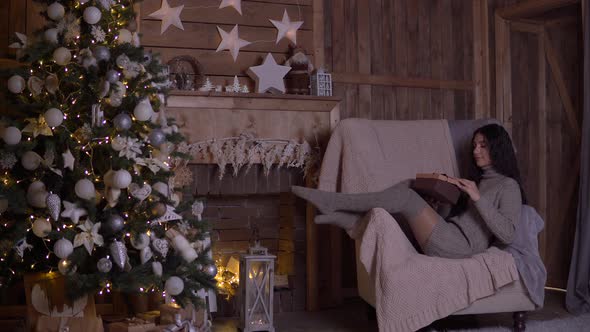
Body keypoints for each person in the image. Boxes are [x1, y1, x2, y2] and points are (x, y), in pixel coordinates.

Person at [292, 124, 526, 259]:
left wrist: (477, 197)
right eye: (474, 145)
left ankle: (336, 203)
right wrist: (439, 202)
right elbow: (454, 219)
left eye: (483, 145)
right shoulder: (477, 180)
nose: (476, 151)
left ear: (497, 147)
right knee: (409, 185)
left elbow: (508, 234)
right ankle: (352, 217)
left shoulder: (508, 186)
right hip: (448, 233)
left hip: (460, 247)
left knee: (405, 198)